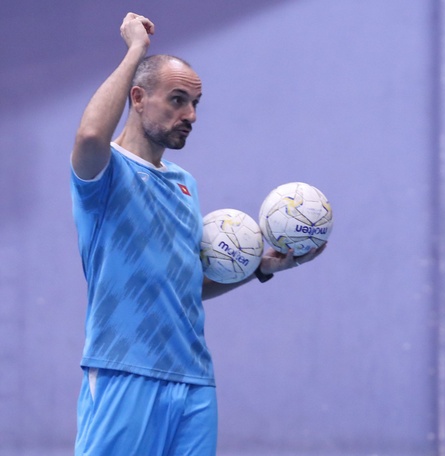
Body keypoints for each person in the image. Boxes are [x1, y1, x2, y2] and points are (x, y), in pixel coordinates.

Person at [70, 12, 326, 455]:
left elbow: (186, 287)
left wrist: (260, 269)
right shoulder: (104, 173)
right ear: (138, 97)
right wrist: (135, 51)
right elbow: (91, 133)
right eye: (177, 100)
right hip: (124, 374)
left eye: (195, 103)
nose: (190, 114)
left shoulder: (184, 184)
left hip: (193, 381)